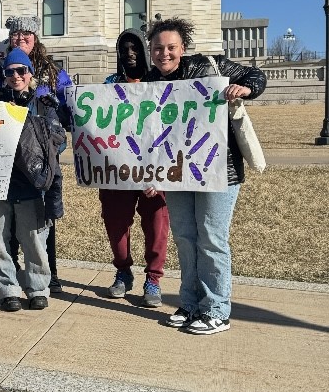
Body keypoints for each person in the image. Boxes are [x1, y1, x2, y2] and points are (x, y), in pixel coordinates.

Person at [144, 17, 267, 335]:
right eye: (158, 48)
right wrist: (150, 173)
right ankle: (190, 303)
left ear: (182, 48)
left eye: (171, 47)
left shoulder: (211, 66)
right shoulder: (149, 82)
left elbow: (257, 75)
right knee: (185, 238)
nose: (164, 54)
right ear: (151, 51)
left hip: (218, 170)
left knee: (212, 240)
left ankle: (216, 310)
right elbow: (146, 132)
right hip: (177, 173)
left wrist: (246, 88)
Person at [0, 14, 71, 293]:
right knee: (0, 227)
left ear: (36, 38)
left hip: (37, 166)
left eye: (27, 34)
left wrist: (53, 116)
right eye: (16, 34)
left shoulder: (51, 72)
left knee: (39, 229)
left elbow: (70, 104)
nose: (21, 38)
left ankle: (45, 278)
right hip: (1, 165)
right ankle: (6, 280)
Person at [100, 30, 170, 307]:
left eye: (135, 48)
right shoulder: (108, 85)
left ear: (145, 51)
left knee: (156, 226)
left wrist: (162, 172)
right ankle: (123, 270)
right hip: (117, 170)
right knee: (116, 225)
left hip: (154, 171)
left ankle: (153, 278)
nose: (129, 53)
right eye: (124, 49)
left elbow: (173, 131)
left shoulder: (161, 83)